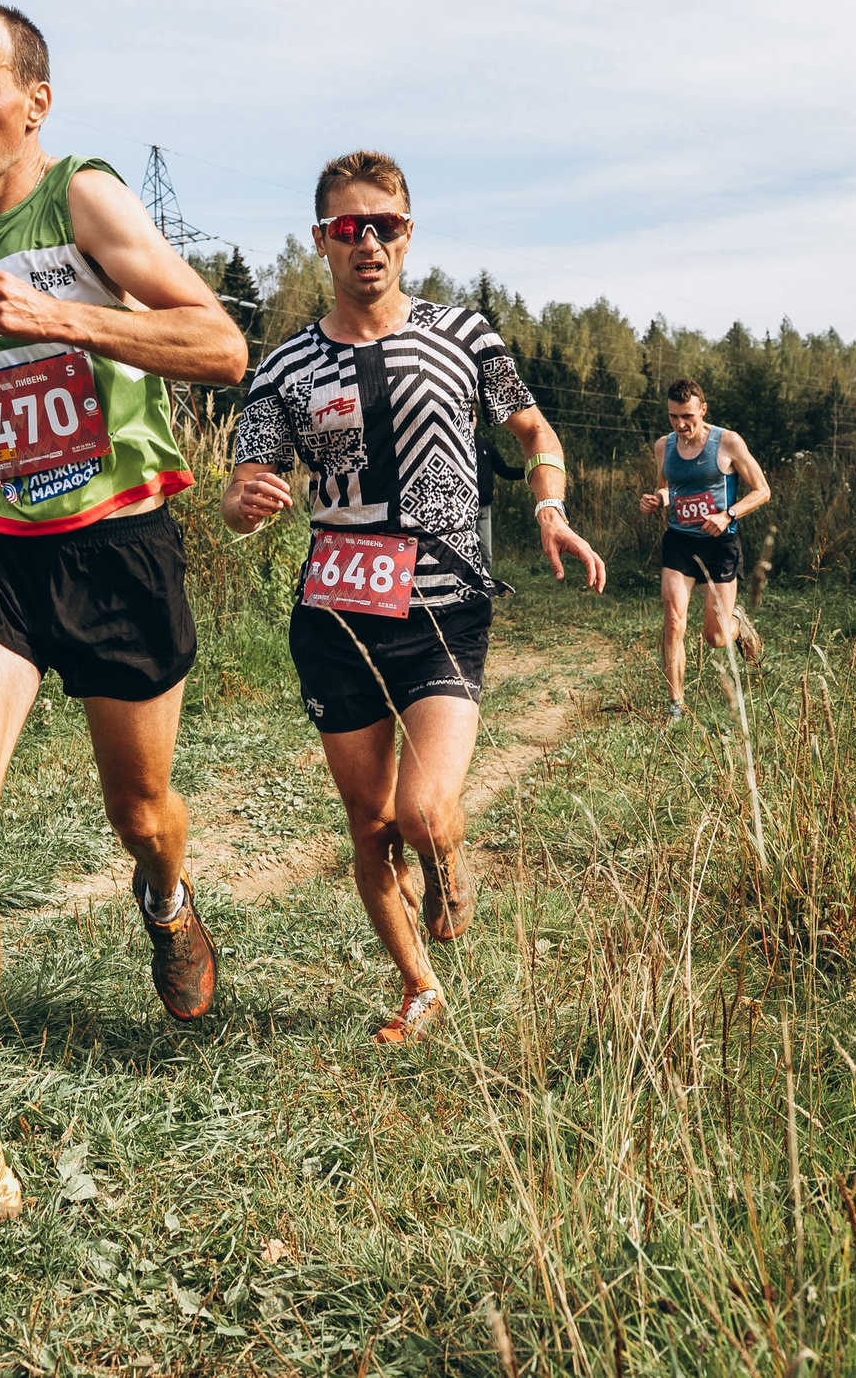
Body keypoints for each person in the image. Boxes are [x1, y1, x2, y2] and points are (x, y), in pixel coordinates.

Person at [0, 4, 248, 1243]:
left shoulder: (86, 200)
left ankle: (167, 893)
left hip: (119, 539)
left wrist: (62, 316)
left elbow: (221, 345)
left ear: (35, 101)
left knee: (137, 810)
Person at [222, 150, 605, 1045]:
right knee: (370, 825)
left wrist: (548, 503)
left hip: (442, 606)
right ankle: (419, 988)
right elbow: (245, 487)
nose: (367, 243)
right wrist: (243, 501)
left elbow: (532, 426)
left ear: (408, 232)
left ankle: (446, 859)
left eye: (384, 225)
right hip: (336, 617)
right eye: (348, 227)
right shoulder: (285, 368)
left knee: (426, 814)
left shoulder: (465, 335)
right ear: (320, 239)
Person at [638, 379, 769, 722]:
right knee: (673, 620)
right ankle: (676, 706)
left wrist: (728, 515)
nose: (680, 424)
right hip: (680, 541)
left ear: (703, 410)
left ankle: (737, 620)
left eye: (687, 416)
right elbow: (667, 488)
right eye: (673, 416)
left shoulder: (727, 442)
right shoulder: (663, 446)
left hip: (720, 543)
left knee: (715, 636)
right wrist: (658, 499)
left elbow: (762, 491)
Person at [473, 425, 525, 591]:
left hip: (485, 508)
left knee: (486, 553)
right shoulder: (457, 444)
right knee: (467, 553)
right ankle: (466, 589)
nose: (471, 420)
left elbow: (505, 471)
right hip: (466, 509)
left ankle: (484, 589)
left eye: (473, 417)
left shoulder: (485, 444)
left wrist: (530, 471)